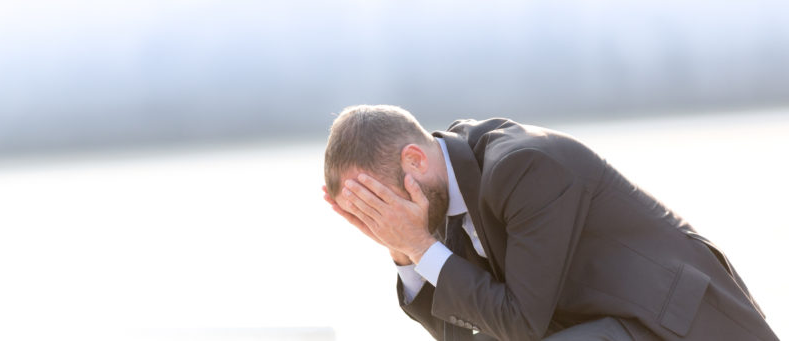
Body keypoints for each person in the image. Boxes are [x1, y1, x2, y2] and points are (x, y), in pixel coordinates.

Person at [320, 105, 777, 341]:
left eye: (378, 204)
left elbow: (521, 323)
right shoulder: (444, 196)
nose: (385, 222)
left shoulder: (522, 166)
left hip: (677, 327)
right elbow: (471, 334)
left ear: (414, 160)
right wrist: (402, 251)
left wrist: (421, 247)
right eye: (369, 218)